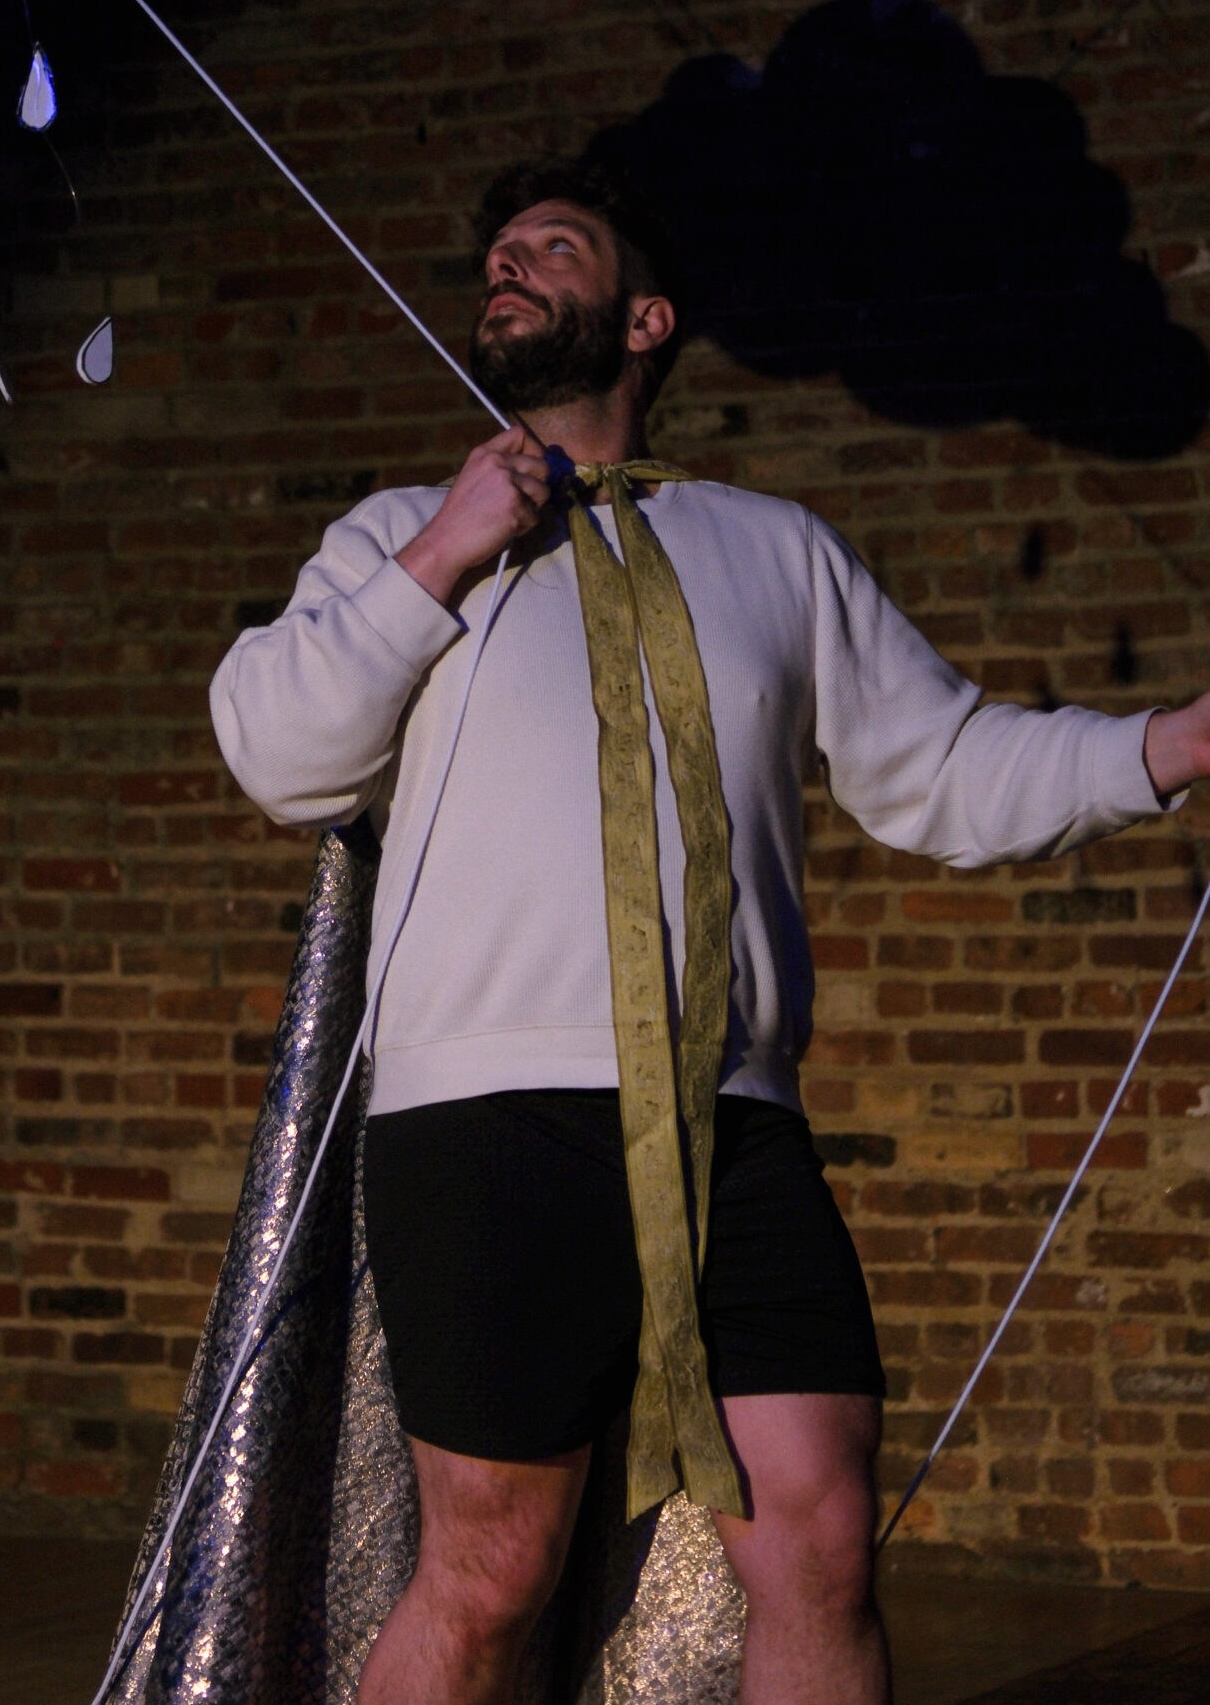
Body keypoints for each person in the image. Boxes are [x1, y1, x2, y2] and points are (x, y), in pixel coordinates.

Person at [208, 158, 1210, 1705]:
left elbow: (941, 766)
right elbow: (281, 756)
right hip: (490, 1120)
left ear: (645, 318)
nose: (509, 266)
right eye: (497, 253)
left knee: (822, 1538)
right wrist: (448, 544)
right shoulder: (400, 532)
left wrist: (1180, 743)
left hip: (732, 1124)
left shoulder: (775, 547)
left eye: (553, 247)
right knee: (491, 1569)